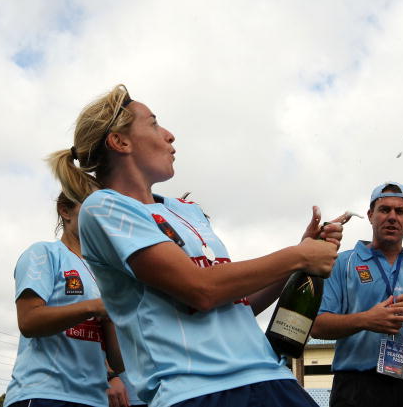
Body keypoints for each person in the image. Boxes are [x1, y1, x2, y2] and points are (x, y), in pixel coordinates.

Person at [47, 84, 343, 407]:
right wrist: (296, 256)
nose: (170, 135)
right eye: (155, 123)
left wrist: (300, 260)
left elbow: (237, 304)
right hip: (196, 391)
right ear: (120, 141)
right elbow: (201, 290)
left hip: (272, 379)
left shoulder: (186, 211)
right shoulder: (102, 209)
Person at [311, 182, 403, 407]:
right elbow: (317, 326)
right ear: (370, 215)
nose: (392, 217)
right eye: (384, 210)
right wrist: (365, 320)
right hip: (356, 387)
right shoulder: (341, 264)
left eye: (400, 211)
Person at [4, 192, 125, 407]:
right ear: (65, 210)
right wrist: (93, 306)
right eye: (91, 208)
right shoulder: (44, 253)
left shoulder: (107, 273)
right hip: (45, 394)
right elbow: (28, 321)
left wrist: (115, 317)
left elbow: (118, 361)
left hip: (95, 399)